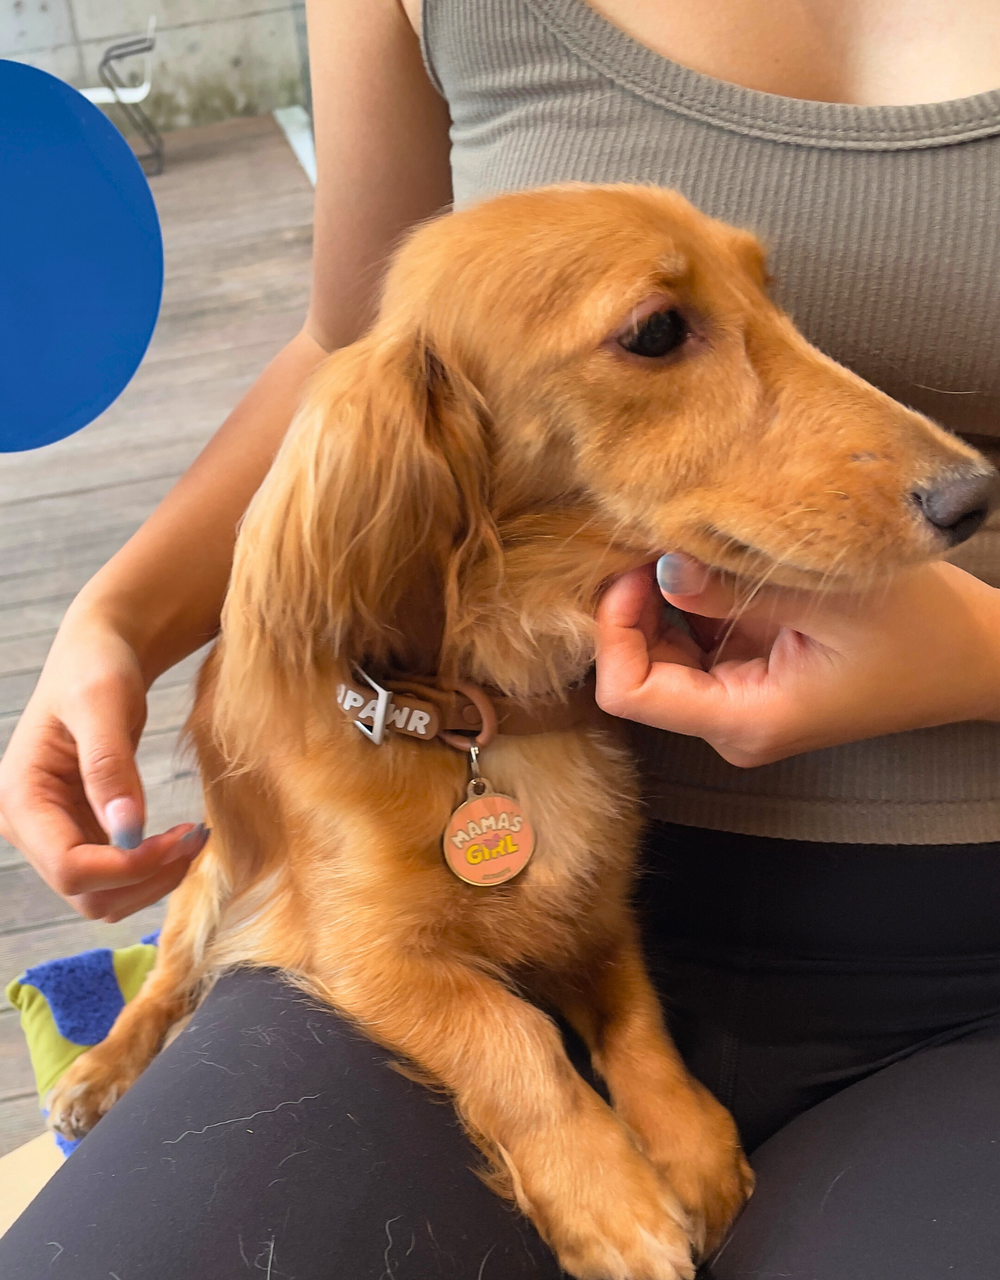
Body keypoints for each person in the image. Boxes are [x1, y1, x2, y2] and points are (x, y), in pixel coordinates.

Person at [2, 1, 1000, 1275]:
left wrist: (981, 655)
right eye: (657, 333)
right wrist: (118, 619)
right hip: (465, 870)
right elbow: (349, 351)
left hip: (954, 968)